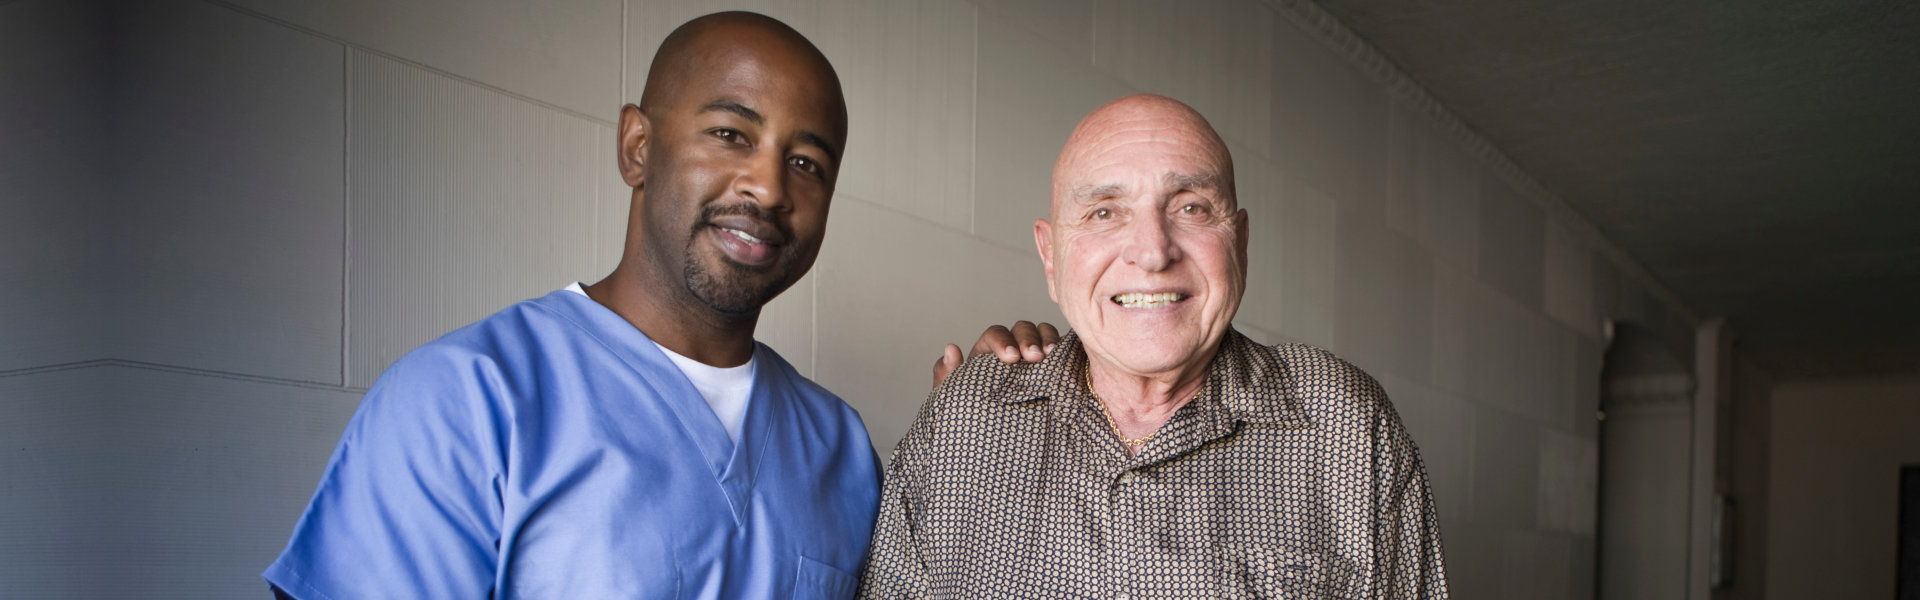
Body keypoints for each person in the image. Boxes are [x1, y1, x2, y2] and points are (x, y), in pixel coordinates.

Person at [265, 12, 878, 598]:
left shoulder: (843, 449)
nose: (768, 187)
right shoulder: (464, 400)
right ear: (638, 146)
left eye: (806, 163)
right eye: (730, 134)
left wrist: (966, 431)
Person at [857, 94, 1450, 599]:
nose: (1152, 250)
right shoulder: (964, 421)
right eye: (1104, 211)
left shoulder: (1344, 424)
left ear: (1239, 243)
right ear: (1051, 257)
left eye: (1191, 207)